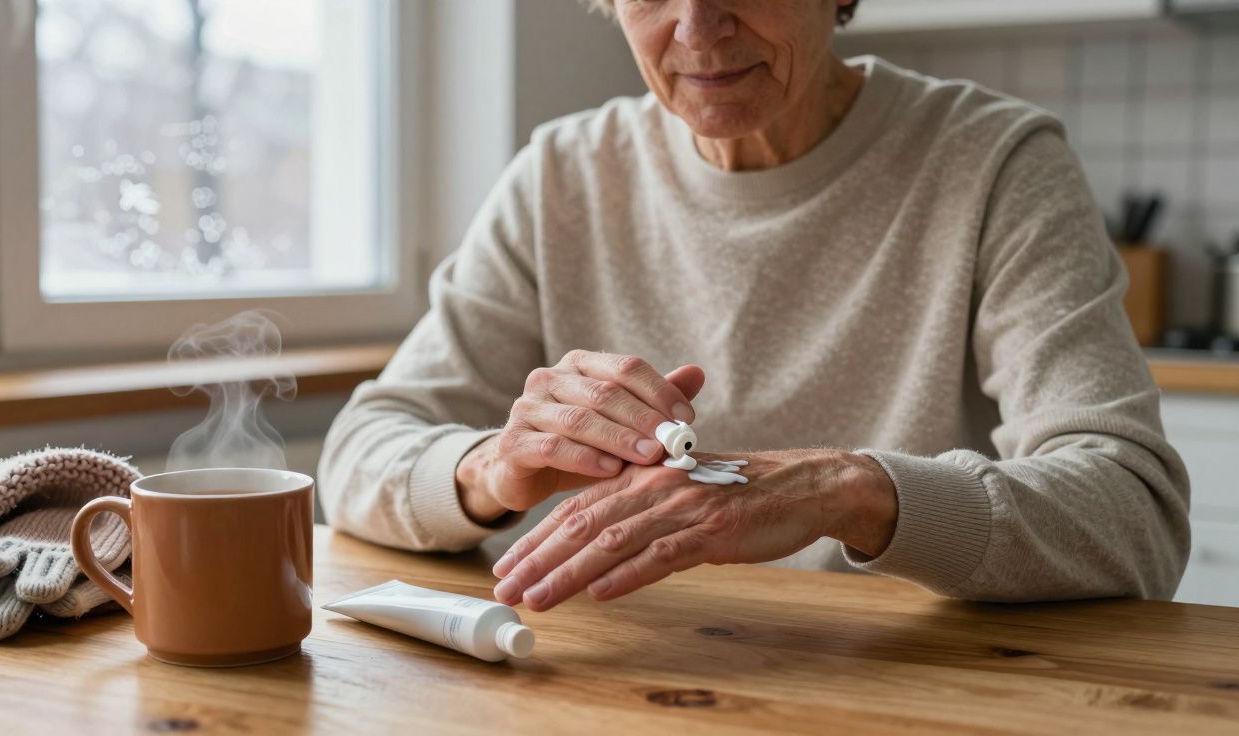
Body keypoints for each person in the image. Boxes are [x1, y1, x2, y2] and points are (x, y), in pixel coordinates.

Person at [318, 0, 1190, 613]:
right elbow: (360, 449)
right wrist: (492, 469)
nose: (698, 29)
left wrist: (853, 491)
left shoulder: (996, 164)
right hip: (618, 680)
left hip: (903, 687)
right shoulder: (562, 176)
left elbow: (1134, 516)